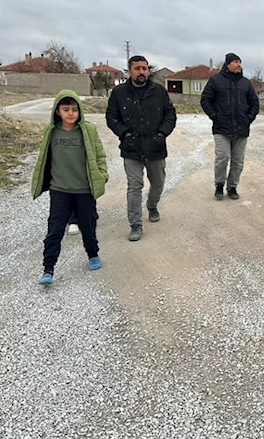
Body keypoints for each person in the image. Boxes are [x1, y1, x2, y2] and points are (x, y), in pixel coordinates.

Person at [31, 90, 108, 285]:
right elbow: (43, 159)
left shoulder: (88, 131)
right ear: (57, 111)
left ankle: (93, 255)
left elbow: (99, 155)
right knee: (55, 229)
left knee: (88, 225)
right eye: (66, 109)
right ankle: (48, 268)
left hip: (84, 190)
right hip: (60, 190)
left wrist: (102, 175)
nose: (71, 113)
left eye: (74, 109)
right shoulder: (51, 131)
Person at [106, 55, 177, 241]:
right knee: (134, 186)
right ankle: (135, 224)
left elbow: (170, 115)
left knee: (158, 183)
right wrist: (125, 134)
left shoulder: (159, 91)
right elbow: (112, 117)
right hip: (131, 149)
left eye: (144, 68)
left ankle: (152, 205)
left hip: (155, 147)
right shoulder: (119, 93)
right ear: (129, 71)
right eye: (137, 68)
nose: (142, 72)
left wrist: (162, 134)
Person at [200, 52, 259, 200]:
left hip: (241, 128)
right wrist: (215, 116)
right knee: (222, 157)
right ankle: (219, 185)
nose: (239, 65)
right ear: (228, 64)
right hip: (222, 128)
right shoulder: (215, 81)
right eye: (236, 62)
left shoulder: (246, 83)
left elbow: (255, 103)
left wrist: (248, 119)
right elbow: (205, 100)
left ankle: (232, 187)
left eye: (240, 62)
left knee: (238, 160)